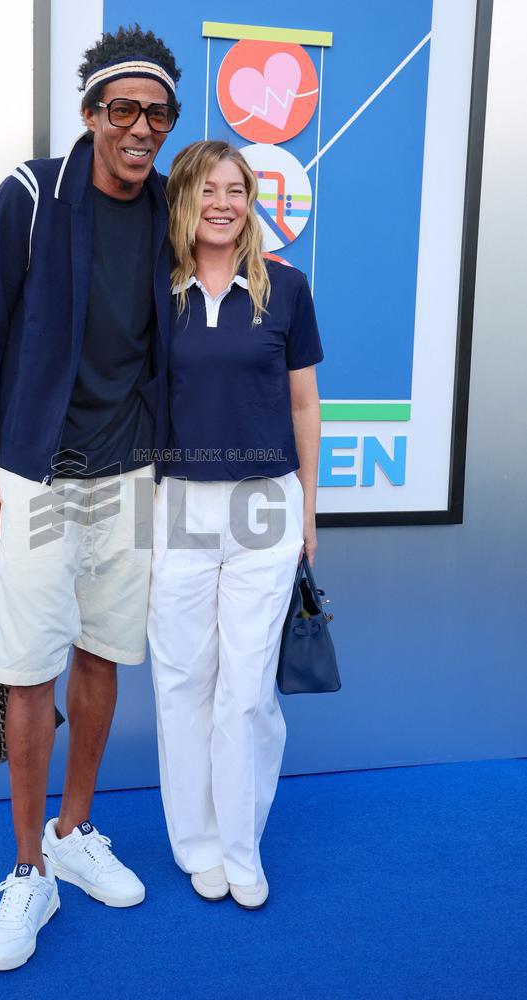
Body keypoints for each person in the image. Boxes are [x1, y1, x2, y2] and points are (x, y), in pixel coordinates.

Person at [0, 25, 181, 971]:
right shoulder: (31, 195)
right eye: (120, 109)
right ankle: (25, 872)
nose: (138, 127)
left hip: (130, 473)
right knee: (28, 667)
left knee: (103, 652)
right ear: (89, 115)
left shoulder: (173, 207)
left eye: (155, 113)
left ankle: (73, 834)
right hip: (37, 472)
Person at [147, 140, 323, 910]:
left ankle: (241, 847)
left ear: (252, 201)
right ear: (183, 196)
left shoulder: (284, 287)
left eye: (237, 189)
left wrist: (307, 506)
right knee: (183, 682)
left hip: (265, 503)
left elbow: (304, 405)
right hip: (178, 501)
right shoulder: (156, 289)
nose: (223, 202)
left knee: (246, 689)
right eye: (208, 188)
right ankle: (197, 845)